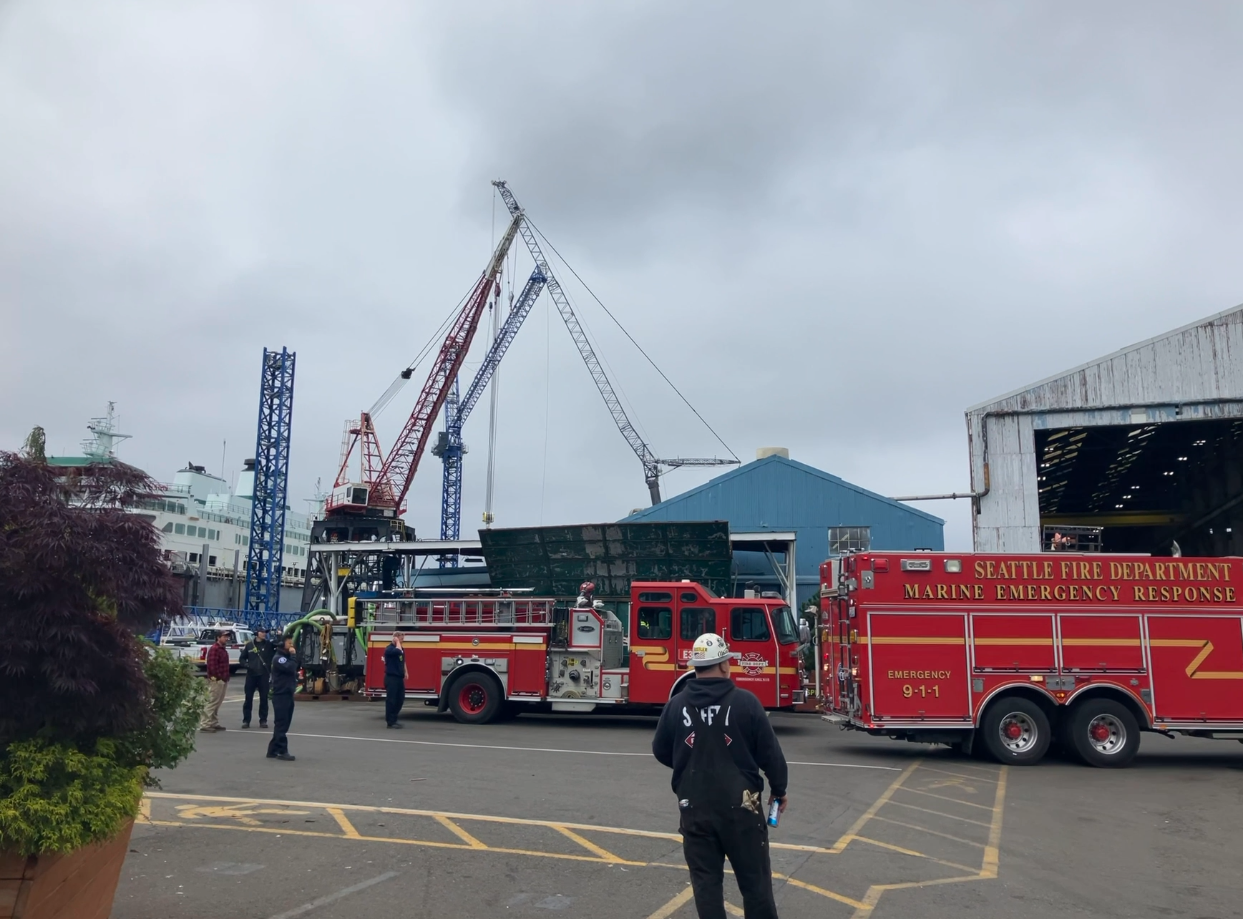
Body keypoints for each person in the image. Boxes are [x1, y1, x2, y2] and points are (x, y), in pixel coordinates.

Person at [652, 633, 788, 919]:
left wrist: (689, 767)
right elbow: (771, 755)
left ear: (695, 667)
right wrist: (779, 788)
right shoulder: (746, 703)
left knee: (707, 886)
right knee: (755, 886)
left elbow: (661, 750)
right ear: (725, 665)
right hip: (743, 809)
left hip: (694, 809)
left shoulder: (676, 705)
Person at [266, 636, 299, 762]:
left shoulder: (287, 657)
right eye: (289, 643)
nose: (291, 645)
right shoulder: (278, 658)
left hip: (288, 693)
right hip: (281, 694)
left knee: (285, 722)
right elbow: (290, 668)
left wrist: (294, 656)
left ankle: (272, 750)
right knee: (281, 723)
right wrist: (294, 656)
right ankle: (282, 751)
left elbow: (295, 666)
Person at [239, 628, 274, 729]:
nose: (264, 634)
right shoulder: (249, 645)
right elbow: (242, 658)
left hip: (263, 675)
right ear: (256, 633)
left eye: (265, 632)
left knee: (264, 699)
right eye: (262, 632)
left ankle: (263, 720)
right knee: (248, 698)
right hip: (251, 675)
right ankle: (246, 720)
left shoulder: (269, 645)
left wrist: (278, 635)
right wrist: (246, 665)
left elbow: (279, 644)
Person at [200, 631, 231, 732]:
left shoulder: (222, 649)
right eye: (224, 636)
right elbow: (212, 666)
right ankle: (205, 723)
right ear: (218, 637)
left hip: (224, 679)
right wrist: (218, 678)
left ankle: (213, 722)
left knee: (217, 702)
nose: (226, 638)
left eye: (227, 637)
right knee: (212, 701)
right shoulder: (215, 649)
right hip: (217, 680)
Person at [383, 632, 407, 728]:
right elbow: (398, 651)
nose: (402, 641)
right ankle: (390, 722)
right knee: (391, 700)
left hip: (399, 678)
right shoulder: (389, 649)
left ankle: (394, 718)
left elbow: (402, 660)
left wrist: (406, 671)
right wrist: (397, 641)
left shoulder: (400, 648)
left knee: (400, 699)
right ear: (396, 638)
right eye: (401, 639)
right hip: (391, 678)